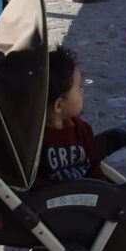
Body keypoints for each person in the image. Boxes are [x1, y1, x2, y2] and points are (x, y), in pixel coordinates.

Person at [37, 45, 107, 185]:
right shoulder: (37, 142)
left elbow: (94, 169)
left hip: (94, 197)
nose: (82, 91)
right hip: (62, 202)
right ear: (58, 105)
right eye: (78, 88)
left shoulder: (82, 129)